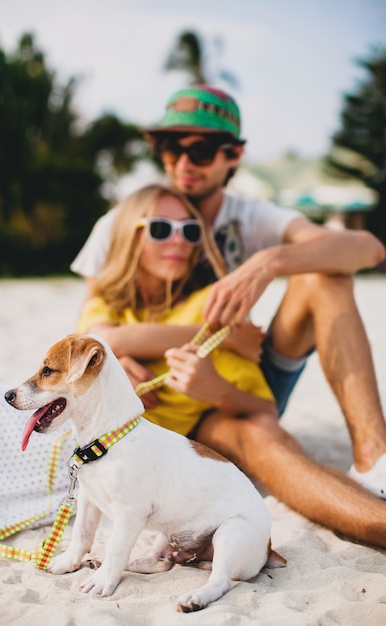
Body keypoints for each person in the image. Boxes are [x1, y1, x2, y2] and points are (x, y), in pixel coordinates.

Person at [71, 85, 386, 548]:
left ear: (233, 156)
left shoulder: (248, 216)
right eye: (169, 148)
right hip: (168, 396)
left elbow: (369, 249)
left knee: (325, 275)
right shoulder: (122, 221)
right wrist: (120, 358)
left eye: (200, 150)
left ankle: (373, 460)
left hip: (238, 377)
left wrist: (270, 262)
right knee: (259, 438)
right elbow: (91, 332)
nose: (183, 163)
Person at [76, 183, 277, 439]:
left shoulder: (209, 306)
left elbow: (266, 410)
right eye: (160, 228)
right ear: (129, 234)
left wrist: (218, 390)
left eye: (190, 231)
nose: (179, 240)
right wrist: (223, 337)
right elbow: (107, 341)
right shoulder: (106, 306)